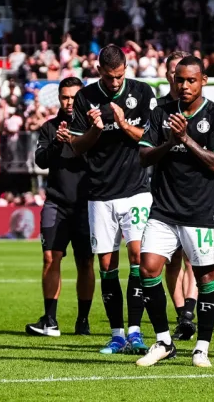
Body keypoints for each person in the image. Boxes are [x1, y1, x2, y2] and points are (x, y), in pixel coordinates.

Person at [134, 55, 214, 368]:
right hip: (163, 208)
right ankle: (163, 341)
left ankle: (202, 347)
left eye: (191, 80)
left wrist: (186, 139)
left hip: (200, 212)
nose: (185, 85)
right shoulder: (160, 112)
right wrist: (170, 141)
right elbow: (145, 157)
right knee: (147, 268)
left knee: (206, 278)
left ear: (203, 81)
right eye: (180, 79)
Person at [68, 44, 155, 355]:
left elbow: (149, 138)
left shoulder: (143, 93)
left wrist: (121, 122)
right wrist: (95, 129)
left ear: (126, 69)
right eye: (109, 77)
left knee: (138, 260)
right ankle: (116, 333)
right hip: (100, 192)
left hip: (136, 190)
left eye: (119, 76)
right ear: (98, 71)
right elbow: (78, 147)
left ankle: (135, 331)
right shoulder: (84, 97)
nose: (115, 82)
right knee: (106, 264)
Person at [28, 76, 94, 338]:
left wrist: (75, 143)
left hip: (87, 205)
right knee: (50, 258)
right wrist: (57, 141)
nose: (69, 102)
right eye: (65, 97)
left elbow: (98, 162)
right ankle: (50, 320)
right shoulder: (49, 128)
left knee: (85, 262)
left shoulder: (94, 128)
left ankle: (83, 320)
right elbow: (41, 161)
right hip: (56, 202)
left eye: (74, 97)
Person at [156, 51, 199, 342]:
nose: (178, 78)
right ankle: (181, 311)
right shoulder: (158, 109)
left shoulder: (203, 109)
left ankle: (189, 312)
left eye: (182, 72)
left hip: (195, 194)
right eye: (173, 72)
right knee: (171, 262)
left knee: (193, 259)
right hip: (164, 194)